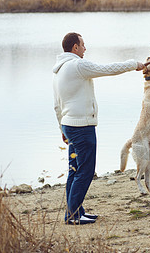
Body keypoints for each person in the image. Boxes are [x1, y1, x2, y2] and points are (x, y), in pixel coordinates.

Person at [53, 32, 144, 225]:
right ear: (75, 48)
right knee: (85, 170)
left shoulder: (59, 70)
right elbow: (108, 69)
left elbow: (57, 104)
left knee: (74, 170)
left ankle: (75, 211)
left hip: (70, 125)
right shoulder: (78, 65)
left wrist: (62, 128)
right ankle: (73, 216)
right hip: (82, 127)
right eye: (83, 45)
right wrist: (134, 64)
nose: (86, 48)